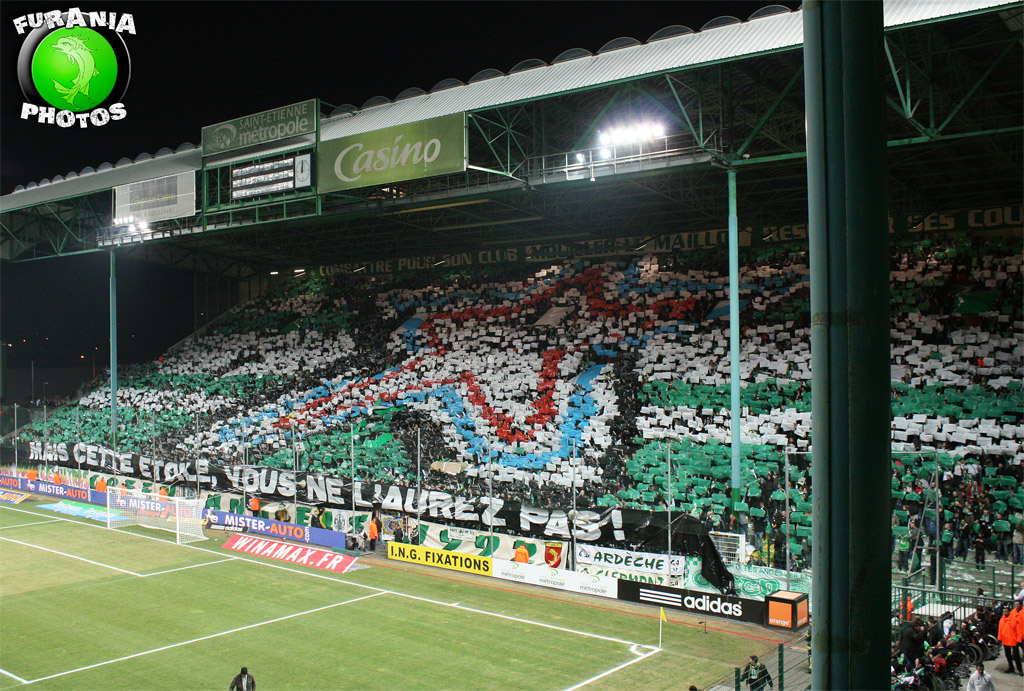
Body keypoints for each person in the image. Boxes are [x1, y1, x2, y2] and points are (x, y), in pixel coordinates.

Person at [998, 601, 1023, 674]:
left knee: (1016, 656)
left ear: (1009, 612)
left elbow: (1018, 630)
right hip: (1005, 640)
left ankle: (1020, 670)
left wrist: (1019, 639)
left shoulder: (1014, 619)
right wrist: (1000, 638)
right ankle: (1011, 667)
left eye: (1006, 611)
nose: (1004, 613)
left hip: (1013, 640)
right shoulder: (1002, 620)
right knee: (1008, 655)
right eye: (1003, 611)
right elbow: (1000, 629)